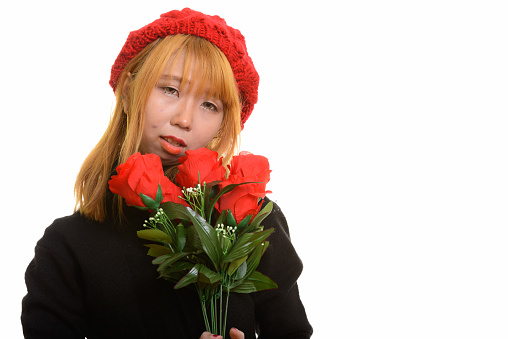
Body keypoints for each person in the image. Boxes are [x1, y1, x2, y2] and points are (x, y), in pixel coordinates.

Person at [21, 8, 312, 339]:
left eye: (210, 105)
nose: (185, 119)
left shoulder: (248, 219)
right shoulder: (67, 248)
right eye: (171, 90)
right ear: (129, 92)